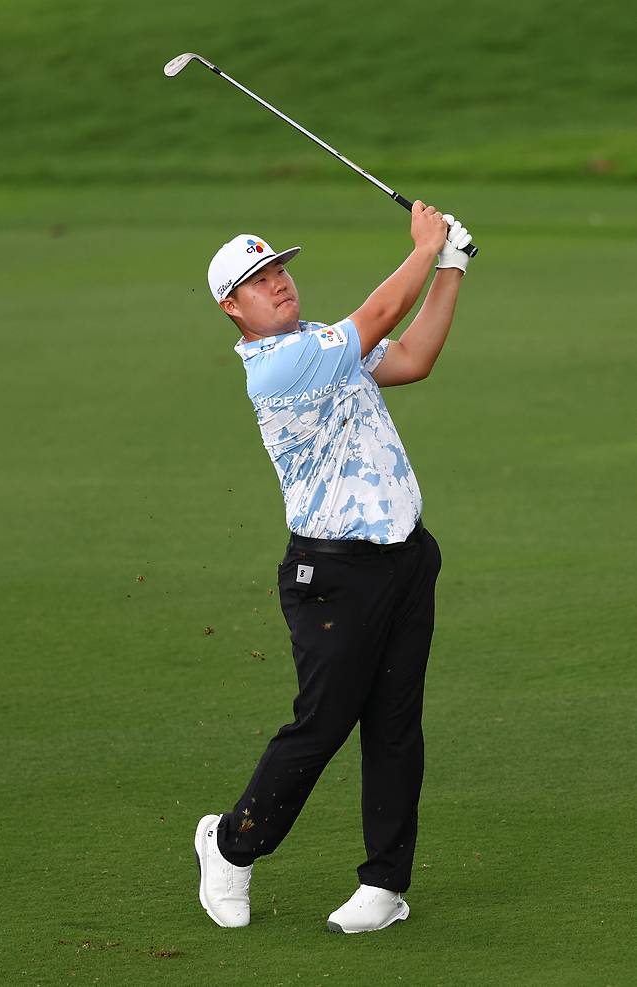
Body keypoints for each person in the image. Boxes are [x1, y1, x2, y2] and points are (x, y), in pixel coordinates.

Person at [195, 202, 473, 933]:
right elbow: (379, 314)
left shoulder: (321, 342)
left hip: (405, 561)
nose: (278, 282)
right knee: (322, 724)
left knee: (395, 724)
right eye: (258, 281)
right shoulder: (280, 365)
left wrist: (450, 267)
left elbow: (412, 359)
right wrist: (424, 246)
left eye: (279, 269)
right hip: (333, 575)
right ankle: (230, 845)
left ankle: (384, 884)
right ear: (232, 307)